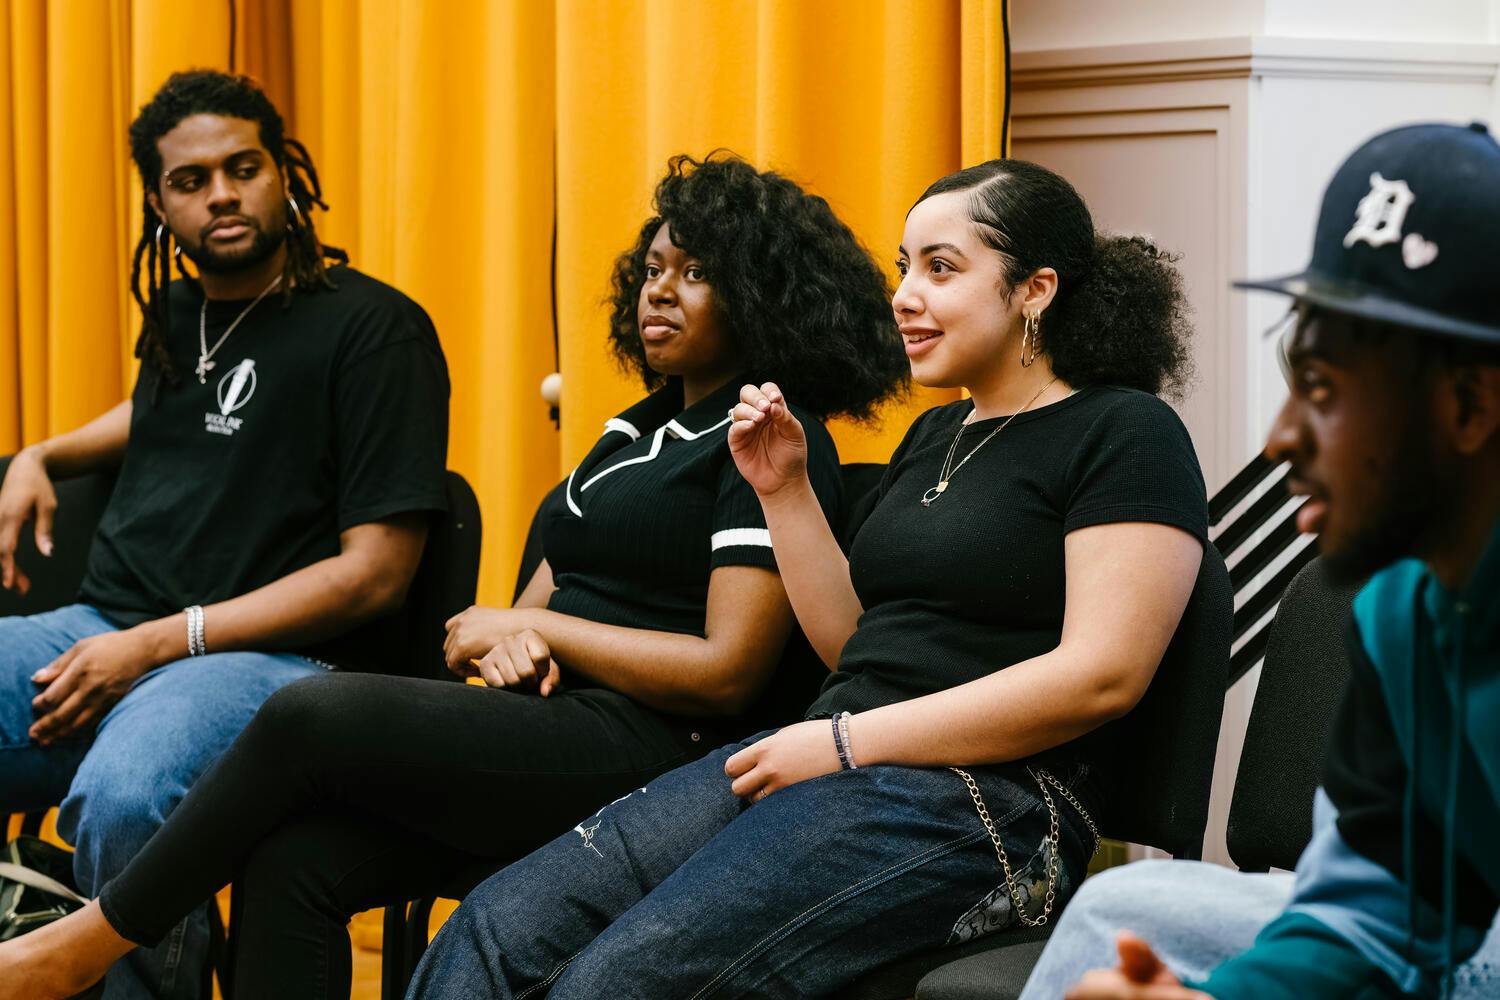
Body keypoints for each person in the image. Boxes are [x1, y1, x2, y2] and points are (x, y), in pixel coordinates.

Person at [0, 152, 908, 1000]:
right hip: (549, 726)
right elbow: (531, 612)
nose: (660, 290)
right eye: (655, 267)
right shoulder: (625, 436)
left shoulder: (768, 441)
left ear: (763, 297)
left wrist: (544, 633)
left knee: (308, 714)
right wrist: (517, 638)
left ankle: (90, 941)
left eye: (697, 272)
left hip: (658, 753)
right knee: (294, 857)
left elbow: (729, 670)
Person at [396, 157, 1210, 998]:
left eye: (941, 267)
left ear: (1035, 288)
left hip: (984, 806)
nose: (903, 294)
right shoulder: (935, 437)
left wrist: (847, 743)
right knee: (493, 930)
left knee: (616, 984)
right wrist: (782, 490)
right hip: (834, 758)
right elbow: (855, 644)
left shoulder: (1126, 430)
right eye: (903, 266)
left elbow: (1101, 676)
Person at [0, 70, 450, 998]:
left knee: (129, 794)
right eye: (191, 180)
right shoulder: (179, 315)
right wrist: (38, 452)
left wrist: (160, 644)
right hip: (110, 622)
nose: (222, 195)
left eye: (242, 168)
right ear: (159, 203)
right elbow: (159, 410)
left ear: (285, 172)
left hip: (287, 664)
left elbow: (375, 576)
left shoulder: (376, 331)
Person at [1038, 122, 1500, 1000]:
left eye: (1324, 390)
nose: (1280, 438)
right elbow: (1372, 907)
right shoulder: (1402, 608)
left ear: (1471, 405)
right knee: (1117, 910)